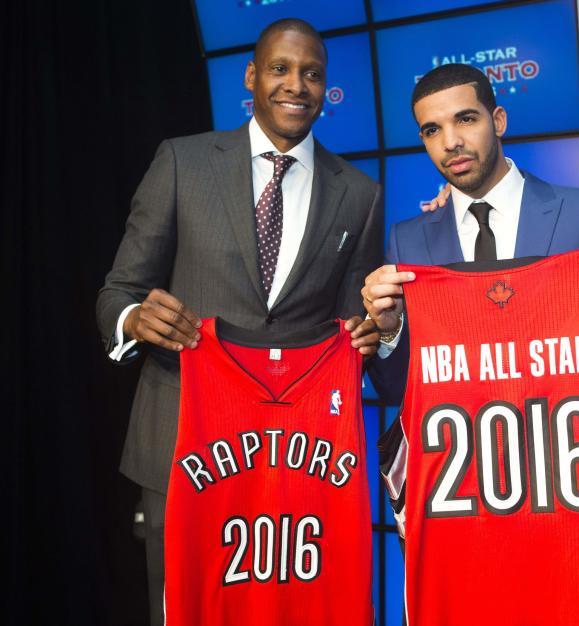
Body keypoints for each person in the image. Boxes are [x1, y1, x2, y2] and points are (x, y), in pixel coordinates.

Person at [95, 19, 382, 626]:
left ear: (327, 88)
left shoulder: (360, 193)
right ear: (252, 77)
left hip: (299, 463)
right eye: (280, 69)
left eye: (311, 74)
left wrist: (373, 333)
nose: (295, 85)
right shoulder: (182, 161)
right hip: (181, 445)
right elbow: (117, 290)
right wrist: (133, 318)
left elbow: (355, 324)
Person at [362, 63, 579, 403]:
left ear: (498, 121)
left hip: (562, 446)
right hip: (458, 451)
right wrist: (389, 332)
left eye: (466, 119)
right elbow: (396, 391)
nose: (451, 142)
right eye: (432, 130)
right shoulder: (408, 242)